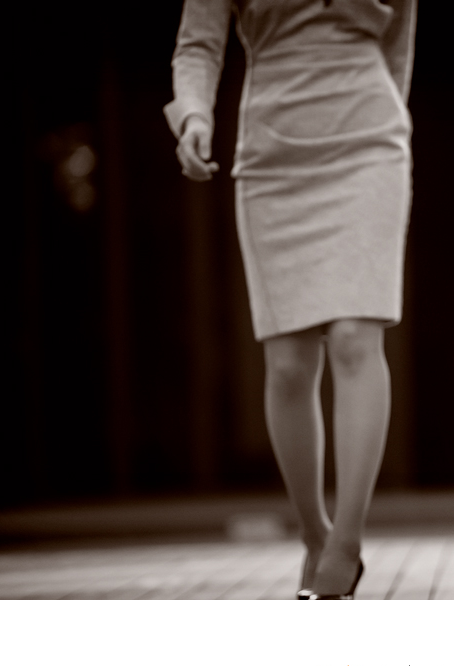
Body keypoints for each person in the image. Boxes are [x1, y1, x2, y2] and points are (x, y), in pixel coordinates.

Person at [165, 0, 417, 599]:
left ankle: (346, 543)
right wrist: (194, 114)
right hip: (271, 153)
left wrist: (392, 119)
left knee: (356, 337)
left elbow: (399, 45)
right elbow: (198, 43)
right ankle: (314, 533)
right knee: (287, 361)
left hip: (369, 141)